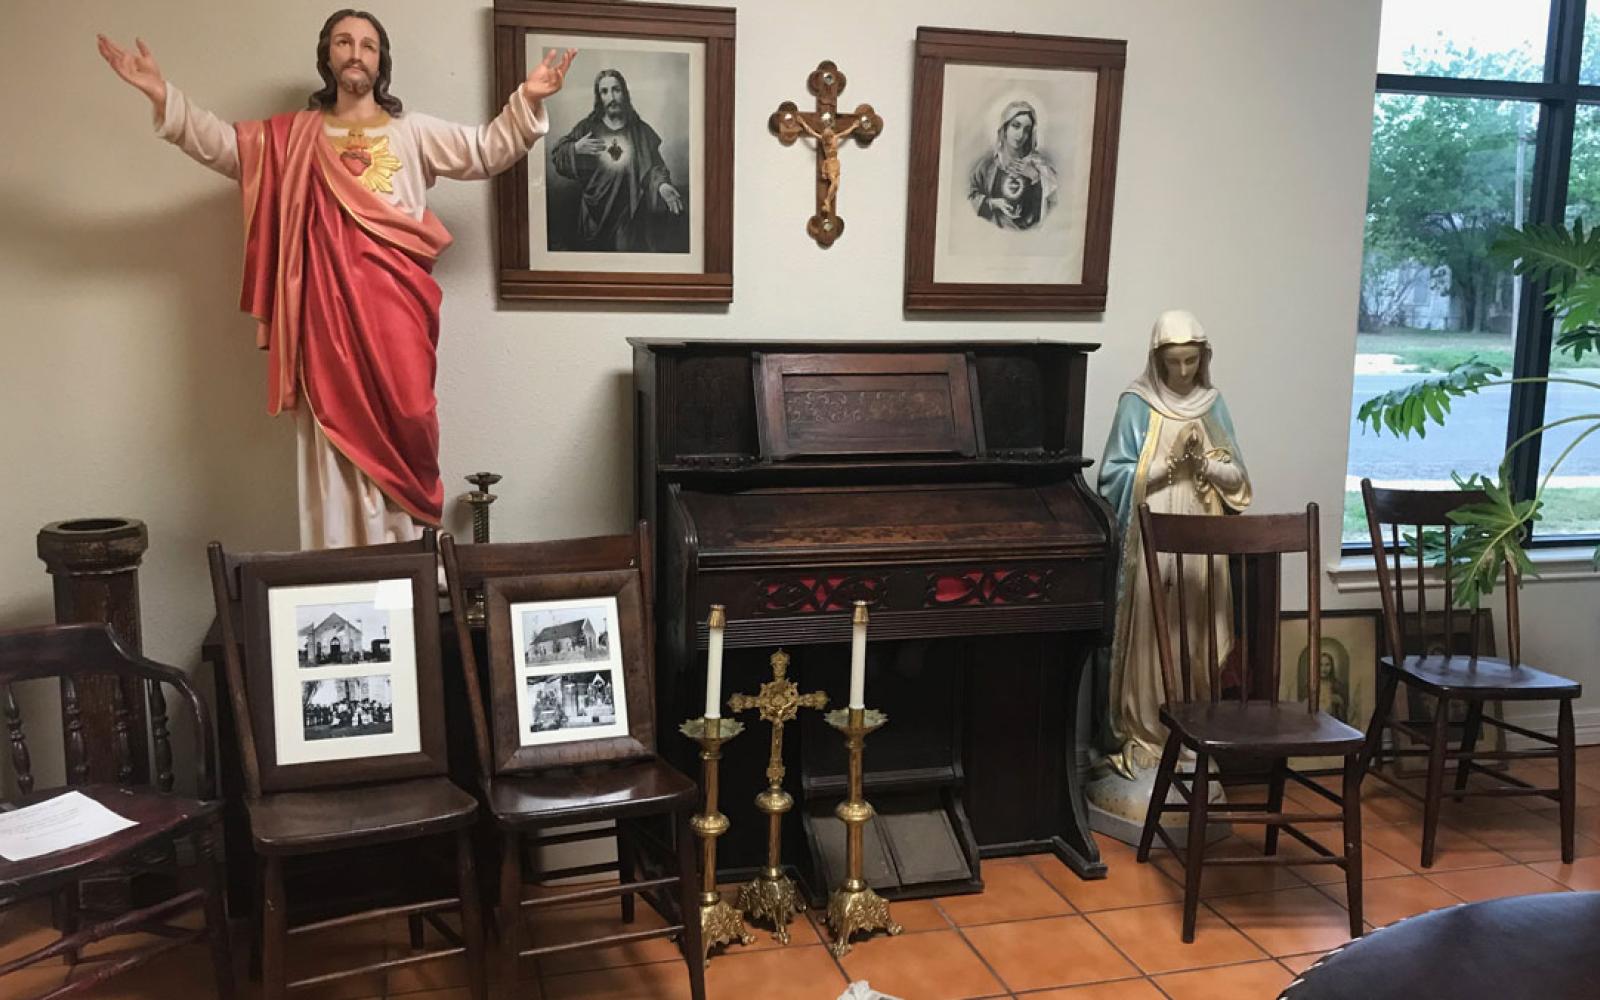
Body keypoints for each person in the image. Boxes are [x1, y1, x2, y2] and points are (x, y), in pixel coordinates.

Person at [97, 11, 576, 548]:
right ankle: (337, 557)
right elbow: (227, 146)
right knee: (333, 427)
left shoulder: (412, 132)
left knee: (411, 414)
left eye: (368, 45)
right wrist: (164, 96)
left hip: (397, 307)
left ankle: (407, 552)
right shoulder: (293, 138)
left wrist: (528, 100)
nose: (356, 52)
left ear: (380, 61)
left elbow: (486, 149)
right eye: (344, 42)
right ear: (327, 55)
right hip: (324, 314)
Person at [1094, 310, 1252, 786]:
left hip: (1202, 533)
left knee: (1198, 637)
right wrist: (1166, 468)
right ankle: (1145, 733)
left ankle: (1191, 735)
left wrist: (1205, 462)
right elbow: (1112, 477)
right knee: (1150, 634)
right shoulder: (1137, 403)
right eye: (1173, 362)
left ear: (1203, 359)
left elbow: (1240, 481)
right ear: (1156, 359)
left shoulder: (1212, 404)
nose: (1182, 372)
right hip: (1152, 535)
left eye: (1190, 361)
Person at [548, 69, 683, 251]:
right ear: (599, 97)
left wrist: (662, 185)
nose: (611, 97)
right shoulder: (588, 127)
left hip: (628, 216)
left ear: (624, 93)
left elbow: (655, 167)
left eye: (616, 90)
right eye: (604, 92)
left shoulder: (640, 131)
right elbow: (558, 154)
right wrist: (575, 148)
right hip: (592, 214)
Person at [967, 100, 1059, 231]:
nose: (1021, 135)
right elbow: (970, 197)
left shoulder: (1040, 166)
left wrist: (1036, 178)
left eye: (1026, 130)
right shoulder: (987, 165)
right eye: (1016, 126)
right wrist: (993, 203)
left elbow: (1051, 207)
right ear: (1004, 128)